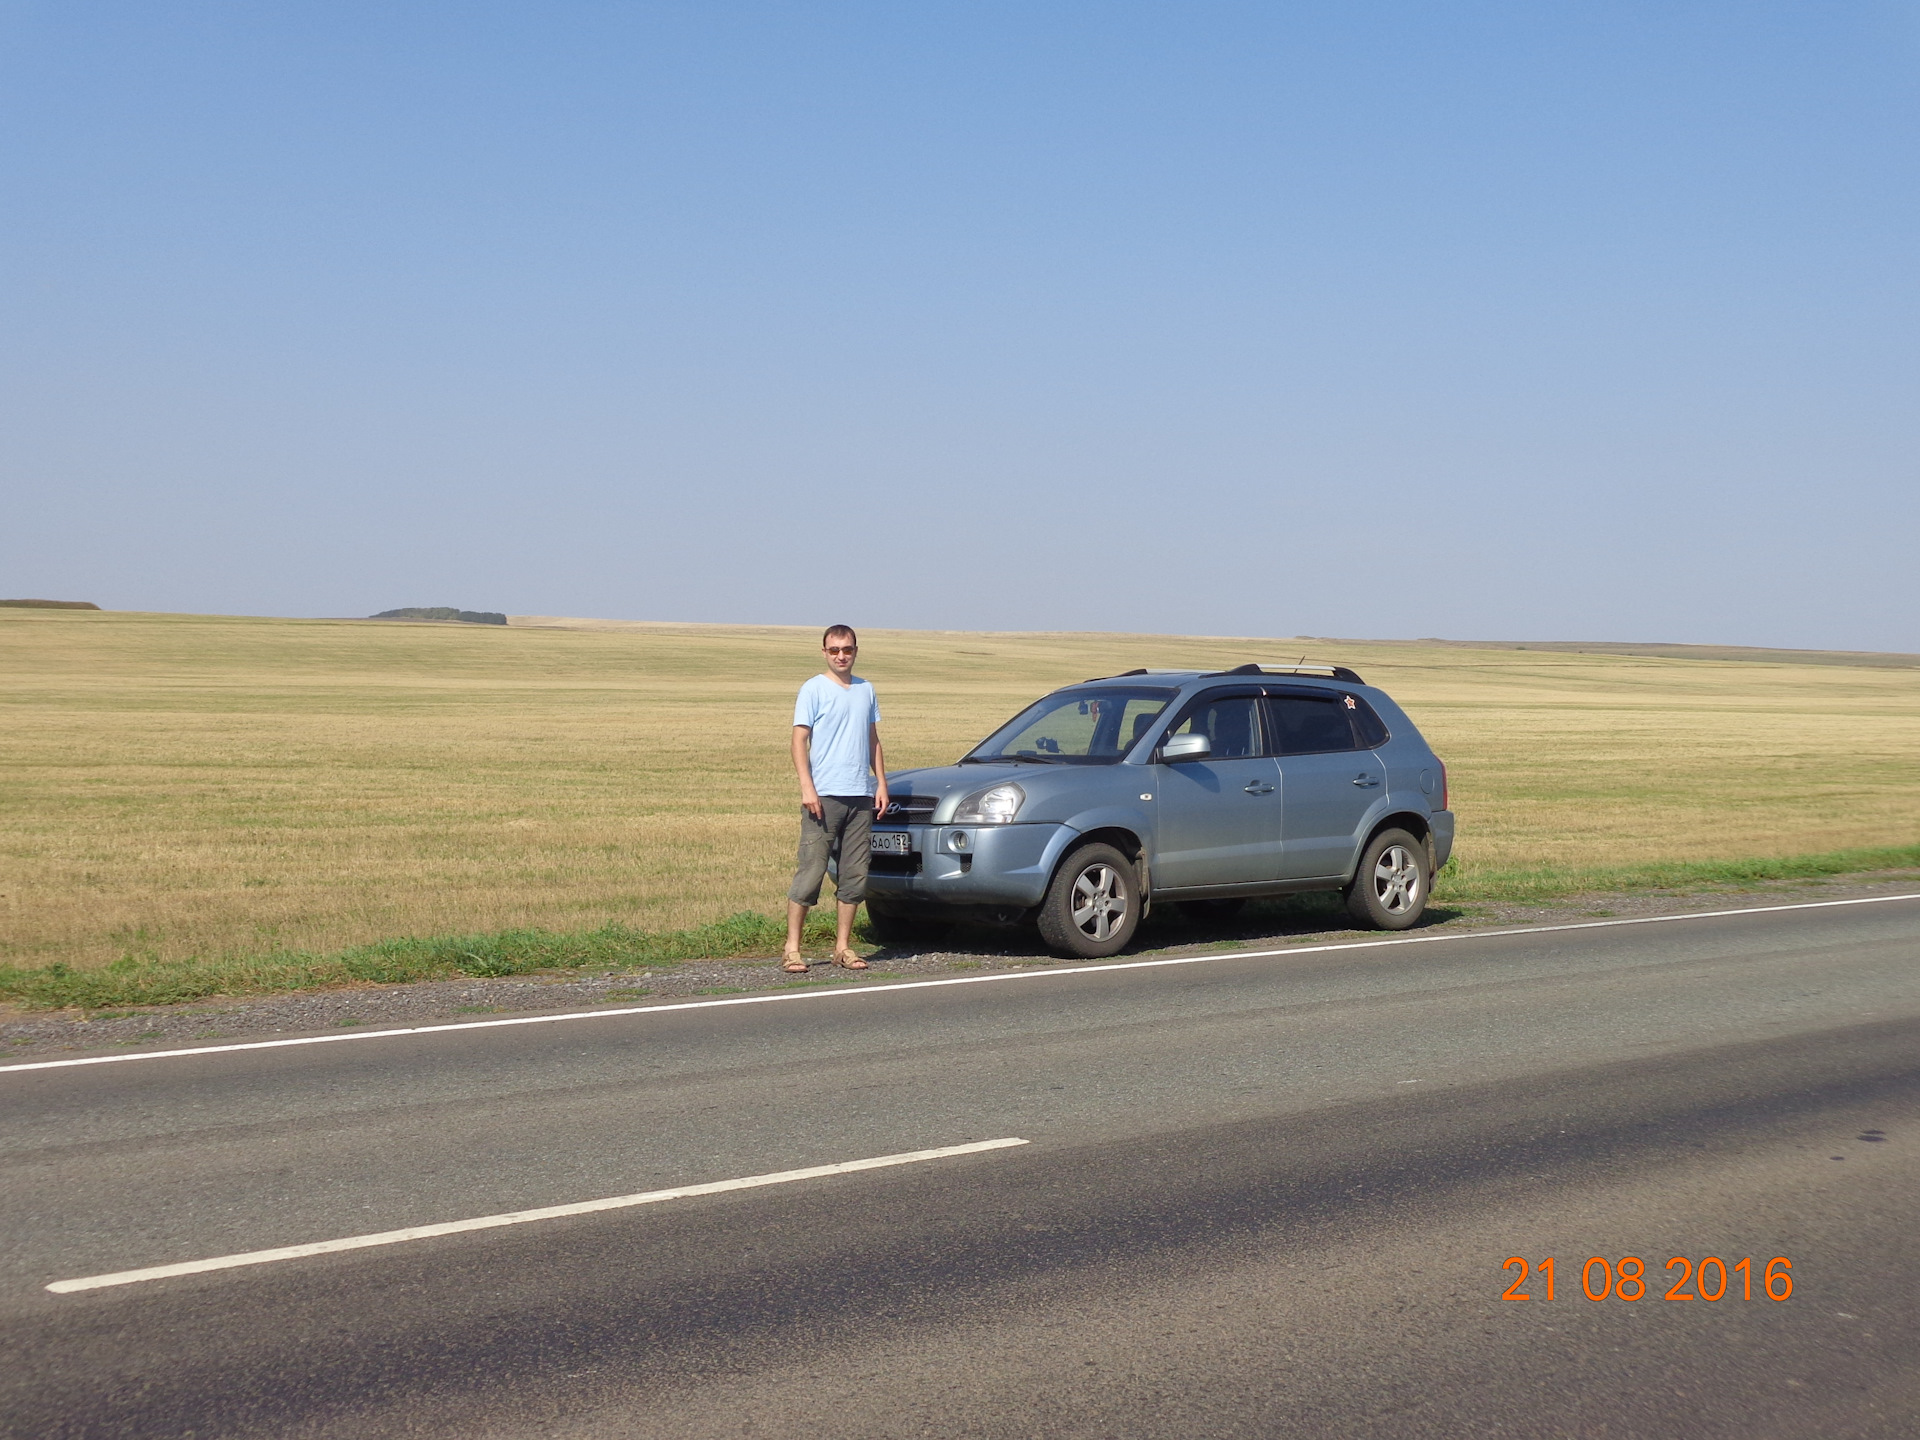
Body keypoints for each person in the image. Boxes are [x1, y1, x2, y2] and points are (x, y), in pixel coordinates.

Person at [784, 624, 889, 973]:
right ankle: (792, 949)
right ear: (825, 652)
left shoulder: (866, 689)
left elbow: (873, 739)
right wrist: (807, 787)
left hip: (860, 795)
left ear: (856, 651)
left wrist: (881, 783)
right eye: (834, 650)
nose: (841, 656)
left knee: (854, 874)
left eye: (847, 650)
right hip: (824, 795)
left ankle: (842, 947)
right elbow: (799, 740)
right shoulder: (813, 689)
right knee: (811, 872)